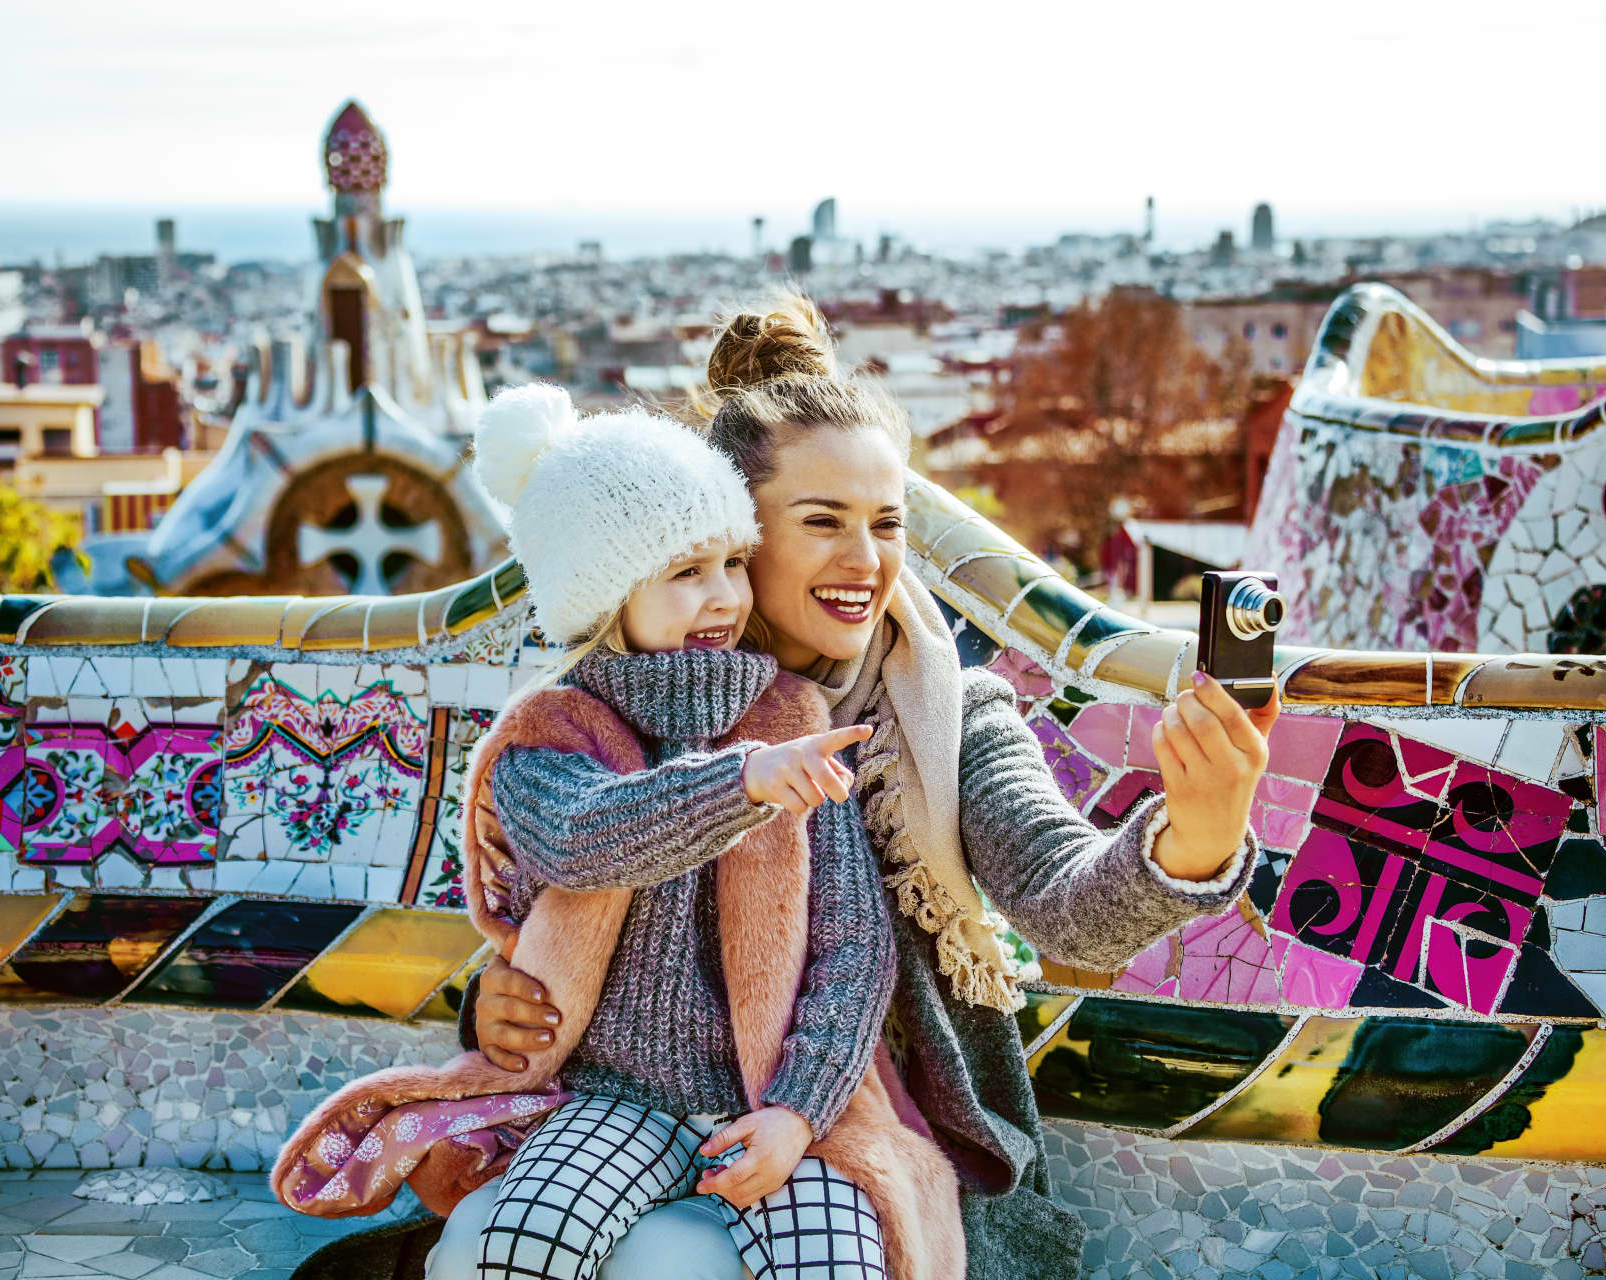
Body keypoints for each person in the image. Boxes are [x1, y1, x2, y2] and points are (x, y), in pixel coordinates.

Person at [449, 296, 1279, 1280]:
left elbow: (1068, 903)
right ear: (737, 534)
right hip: (635, 1109)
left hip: (870, 1126)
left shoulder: (947, 710)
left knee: (675, 1262)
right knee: (506, 1242)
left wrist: (1197, 833)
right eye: (822, 522)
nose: (866, 560)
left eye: (885, 523)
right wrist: (499, 1005)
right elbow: (571, 868)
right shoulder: (637, 687)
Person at [421, 384, 960, 1280]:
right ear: (606, 595)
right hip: (614, 1098)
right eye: (683, 572)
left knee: (838, 1262)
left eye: (733, 563)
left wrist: (797, 1110)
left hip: (777, 1104)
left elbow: (854, 948)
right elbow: (586, 837)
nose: (723, 598)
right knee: (518, 1248)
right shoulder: (554, 732)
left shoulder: (790, 714)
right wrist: (739, 784)